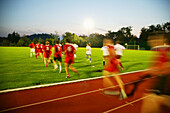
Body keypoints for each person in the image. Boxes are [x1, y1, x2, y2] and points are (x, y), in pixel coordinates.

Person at [140, 32, 170, 113]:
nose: (151, 41)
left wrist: (153, 70)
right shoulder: (160, 51)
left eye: (153, 39)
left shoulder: (164, 51)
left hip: (163, 84)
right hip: (161, 84)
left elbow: (166, 67)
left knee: (149, 101)